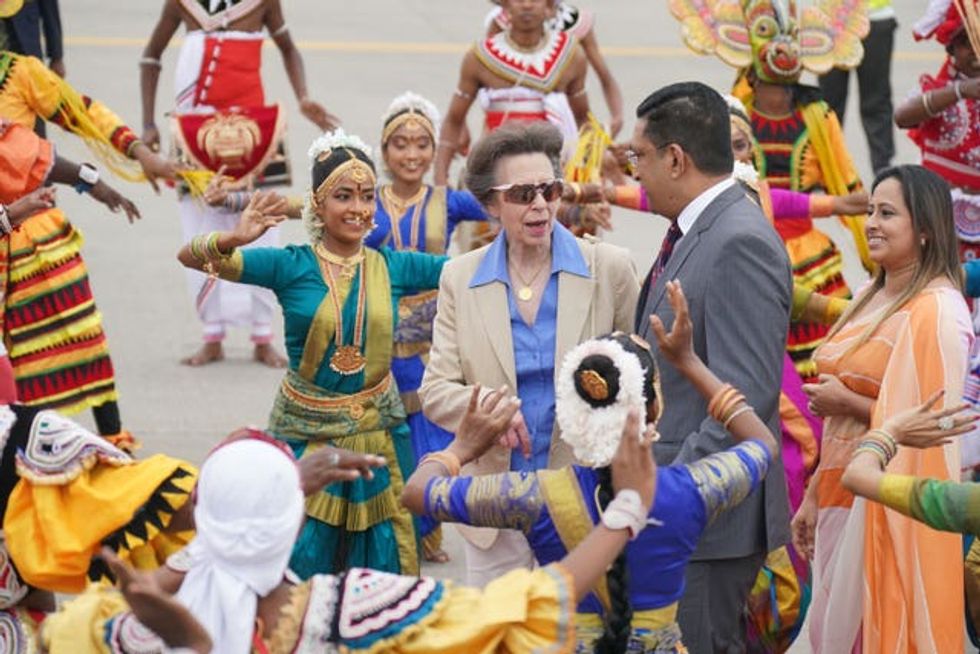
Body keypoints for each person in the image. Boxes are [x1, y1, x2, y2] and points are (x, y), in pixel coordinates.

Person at [43, 409, 658, 654]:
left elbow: (59, 634)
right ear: (292, 520)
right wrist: (626, 508)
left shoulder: (120, 629)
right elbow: (523, 603)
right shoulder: (358, 610)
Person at [405, 281, 779, 651]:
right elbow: (762, 443)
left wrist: (460, 448)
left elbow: (419, 493)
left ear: (570, 414)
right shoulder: (693, 490)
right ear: (652, 410)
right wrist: (689, 362)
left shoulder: (533, 497)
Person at [177, 130, 448, 579]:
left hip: (378, 436)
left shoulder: (392, 266)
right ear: (317, 205)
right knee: (298, 561)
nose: (358, 208)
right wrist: (235, 237)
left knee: (381, 570)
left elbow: (467, 271)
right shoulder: (291, 264)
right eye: (343, 196)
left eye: (366, 196)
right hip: (306, 432)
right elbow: (190, 257)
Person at [418, 121, 638, 588]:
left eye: (549, 189)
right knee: (499, 635)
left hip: (583, 496)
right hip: (492, 501)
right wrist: (492, 411)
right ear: (490, 204)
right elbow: (436, 390)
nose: (540, 204)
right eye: (521, 194)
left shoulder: (609, 269)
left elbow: (642, 377)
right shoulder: (461, 276)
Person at [628, 81, 791, 654]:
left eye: (639, 156)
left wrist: (667, 492)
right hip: (683, 516)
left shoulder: (738, 241)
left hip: (704, 521)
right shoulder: (697, 230)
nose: (635, 173)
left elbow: (744, 396)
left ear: (676, 158)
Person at [790, 165, 971, 653]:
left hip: (885, 503)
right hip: (836, 490)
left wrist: (845, 401)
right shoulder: (871, 295)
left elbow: (936, 428)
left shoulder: (937, 311)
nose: (870, 222)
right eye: (869, 210)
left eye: (887, 213)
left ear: (927, 228)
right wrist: (811, 493)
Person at [671, 0, 872, 385]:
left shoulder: (819, 117)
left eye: (787, 86)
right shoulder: (732, 119)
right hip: (743, 241)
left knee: (815, 358)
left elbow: (846, 182)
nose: (779, 95)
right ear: (755, 79)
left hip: (807, 254)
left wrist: (872, 253)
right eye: (772, 86)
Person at [141, 0, 338, 368]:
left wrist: (303, 96)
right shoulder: (181, 4)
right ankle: (211, 333)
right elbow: (150, 56)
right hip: (195, 133)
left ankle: (263, 335)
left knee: (263, 224)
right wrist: (148, 122)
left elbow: (289, 48)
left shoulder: (263, 3)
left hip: (254, 135)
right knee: (198, 227)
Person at [0, 49, 177, 437]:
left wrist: (140, 152)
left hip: (34, 243)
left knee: (81, 343)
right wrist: (91, 181)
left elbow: (83, 112)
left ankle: (111, 445)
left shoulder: (19, 72)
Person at [368, 91, 486, 563]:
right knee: (379, 438)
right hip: (374, 336)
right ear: (384, 150)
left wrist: (577, 200)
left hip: (432, 343)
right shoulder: (364, 197)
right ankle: (383, 532)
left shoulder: (448, 202)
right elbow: (310, 210)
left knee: (431, 437)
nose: (412, 154)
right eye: (400, 143)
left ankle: (422, 532)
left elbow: (507, 205)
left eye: (421, 144)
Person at [0, 119, 139, 404]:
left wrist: (91, 181)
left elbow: (78, 110)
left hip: (31, 234)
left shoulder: (23, 73)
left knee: (82, 335)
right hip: (20, 235)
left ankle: (111, 433)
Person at [433, 0, 589, 185]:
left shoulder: (571, 55)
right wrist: (440, 179)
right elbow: (454, 119)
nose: (527, 5)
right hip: (495, 168)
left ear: (549, 7)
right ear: (505, 6)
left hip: (555, 171)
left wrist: (588, 174)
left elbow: (584, 121)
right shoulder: (479, 58)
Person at [895, 0, 980, 264]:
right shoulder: (937, 89)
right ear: (951, 49)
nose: (976, 52)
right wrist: (959, 91)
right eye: (966, 43)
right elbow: (902, 117)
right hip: (938, 217)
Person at [485, 0, 624, 137]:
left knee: (609, 156)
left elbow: (605, 76)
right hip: (517, 116)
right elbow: (490, 83)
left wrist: (617, 117)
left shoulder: (575, 23)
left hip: (569, 115)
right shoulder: (506, 22)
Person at [818, 0, 897, 174]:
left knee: (876, 101)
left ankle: (883, 168)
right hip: (832, 21)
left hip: (874, 17)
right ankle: (825, 168)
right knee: (829, 105)